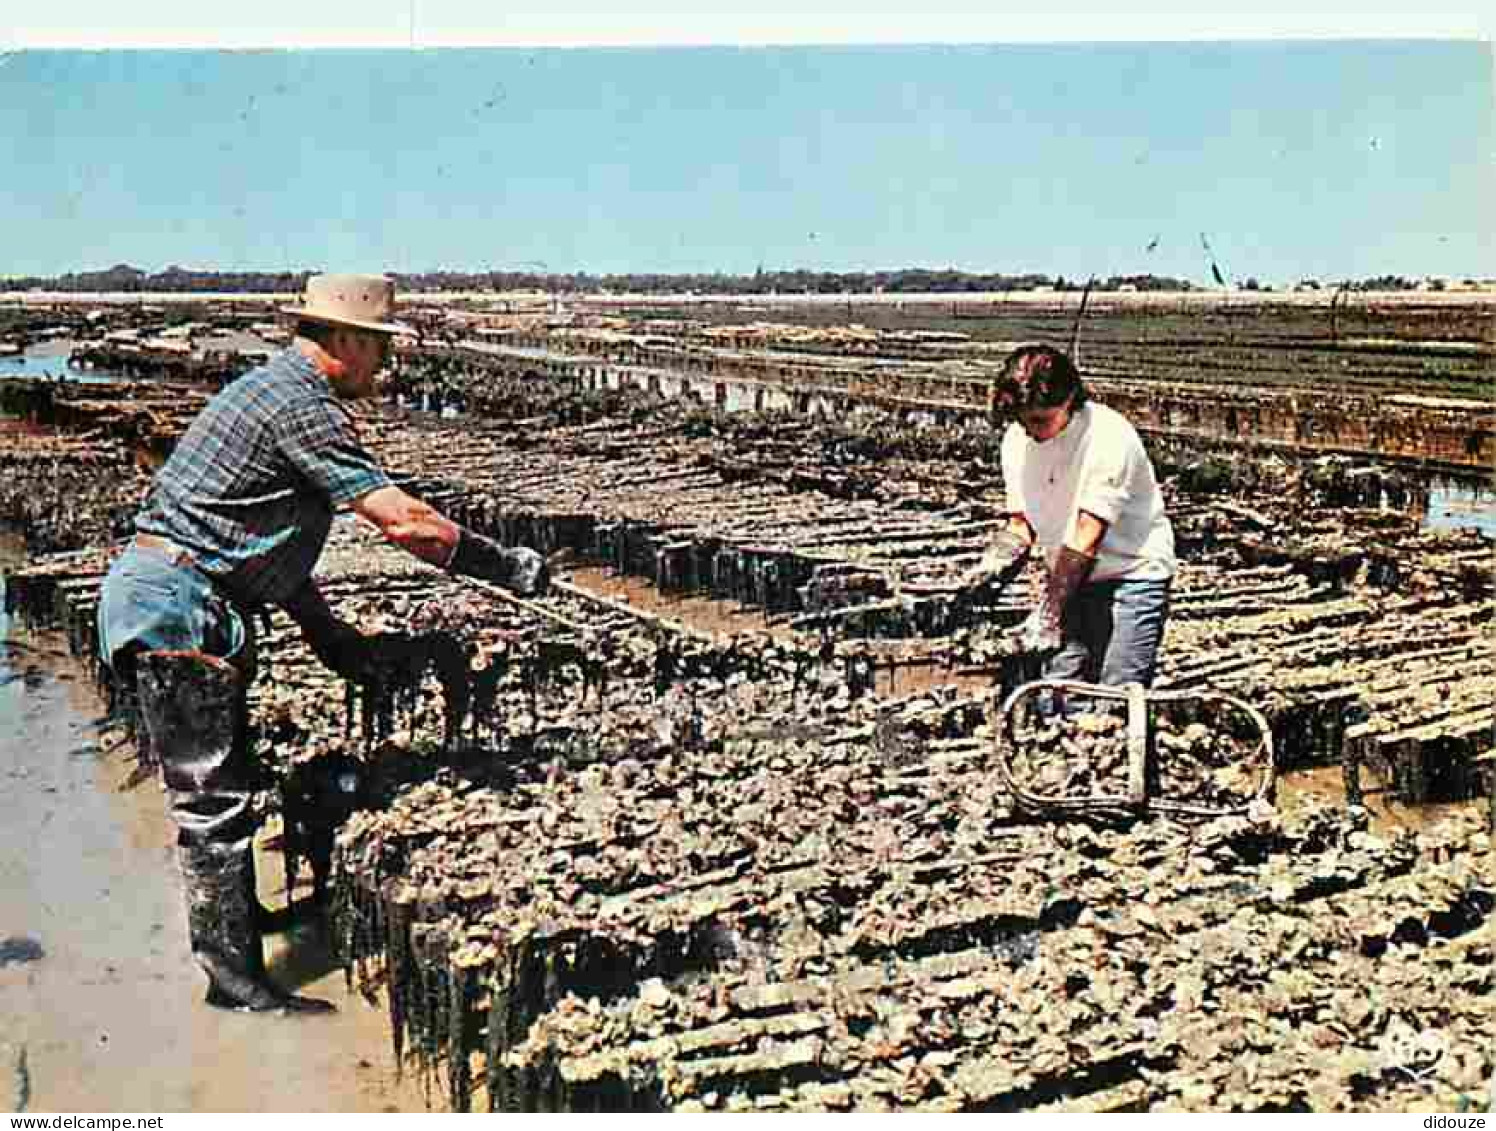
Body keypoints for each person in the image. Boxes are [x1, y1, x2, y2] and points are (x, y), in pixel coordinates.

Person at [97, 274, 549, 1014]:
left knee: (224, 785)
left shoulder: (273, 394)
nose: (384, 366)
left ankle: (239, 935)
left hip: (182, 596)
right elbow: (404, 523)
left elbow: (257, 543)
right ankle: (236, 987)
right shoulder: (303, 407)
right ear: (342, 341)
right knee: (212, 801)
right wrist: (507, 566)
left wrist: (330, 635)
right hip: (175, 608)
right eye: (378, 347)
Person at [963, 344, 1175, 688]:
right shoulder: (1017, 441)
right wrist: (983, 579)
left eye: (1040, 419)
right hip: (1070, 575)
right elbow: (1021, 526)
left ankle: (1119, 736)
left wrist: (1050, 614)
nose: (1031, 429)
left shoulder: (1108, 438)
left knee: (1119, 687)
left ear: (1070, 401)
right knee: (1059, 686)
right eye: (1022, 419)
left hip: (1132, 573)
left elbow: (1086, 535)